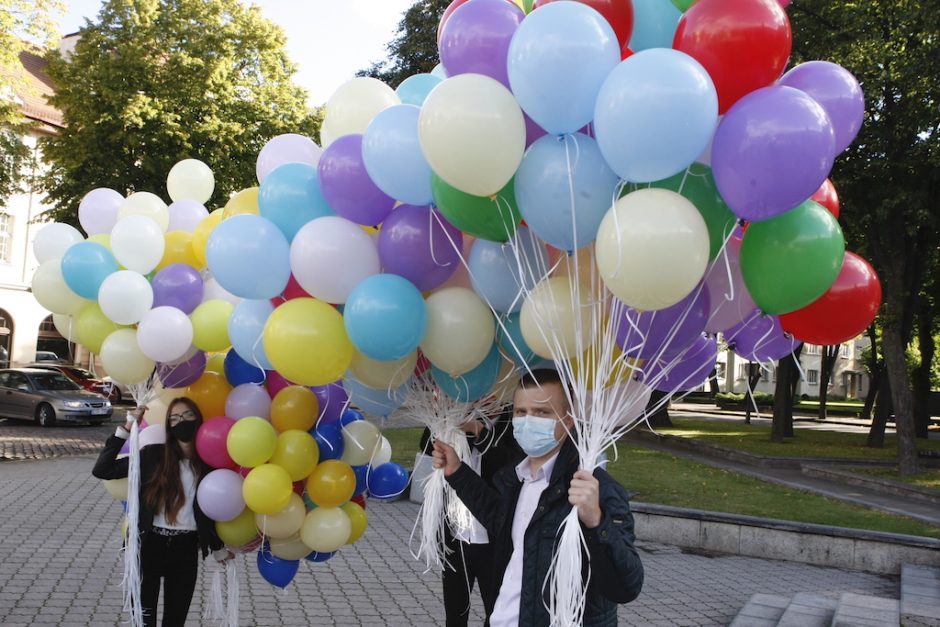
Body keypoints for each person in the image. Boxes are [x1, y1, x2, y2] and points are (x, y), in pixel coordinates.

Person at [433, 369, 644, 626]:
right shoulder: (515, 478)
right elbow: (500, 519)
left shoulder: (596, 489)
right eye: (521, 412)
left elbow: (625, 587)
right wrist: (457, 472)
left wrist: (596, 523)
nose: (528, 421)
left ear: (567, 420)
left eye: (542, 412)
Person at [93, 398, 232, 627]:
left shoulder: (208, 464)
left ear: (198, 419)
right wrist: (127, 427)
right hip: (148, 544)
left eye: (187, 415)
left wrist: (218, 550)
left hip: (185, 549)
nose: (181, 422)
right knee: (143, 619)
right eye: (174, 418)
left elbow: (208, 511)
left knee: (175, 621)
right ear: (168, 425)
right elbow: (103, 469)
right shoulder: (153, 455)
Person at [419, 409, 523, 626]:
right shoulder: (459, 415)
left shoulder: (513, 423)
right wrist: (441, 416)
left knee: (496, 612)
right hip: (457, 537)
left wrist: (480, 431)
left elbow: (510, 465)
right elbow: (426, 444)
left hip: (493, 539)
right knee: (455, 613)